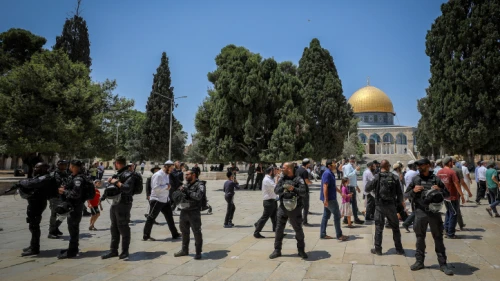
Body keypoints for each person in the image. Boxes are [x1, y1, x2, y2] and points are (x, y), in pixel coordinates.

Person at [405, 158, 454, 276]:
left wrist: (440, 189)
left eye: (421, 165)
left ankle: (443, 264)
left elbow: (447, 194)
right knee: (420, 237)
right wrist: (413, 191)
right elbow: (406, 194)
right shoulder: (416, 179)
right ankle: (419, 261)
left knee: (438, 238)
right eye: (417, 166)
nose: (419, 168)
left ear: (427, 165)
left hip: (434, 213)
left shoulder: (436, 179)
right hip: (420, 212)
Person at [101, 156, 138, 260]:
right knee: (114, 227)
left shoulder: (129, 174)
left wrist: (115, 182)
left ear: (117, 163)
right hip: (115, 203)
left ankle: (125, 251)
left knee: (123, 227)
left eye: (115, 164)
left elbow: (127, 189)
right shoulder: (118, 174)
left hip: (124, 204)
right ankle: (113, 250)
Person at [365, 159, 404, 256]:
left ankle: (378, 249)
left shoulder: (377, 177)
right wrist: (399, 206)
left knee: (379, 228)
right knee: (395, 228)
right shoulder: (394, 177)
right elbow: (399, 194)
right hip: (391, 206)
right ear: (387, 167)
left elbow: (367, 188)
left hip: (380, 206)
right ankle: (399, 249)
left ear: (380, 167)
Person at [269, 162, 308, 260]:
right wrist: (283, 187)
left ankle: (301, 250)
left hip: (295, 209)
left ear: (289, 169)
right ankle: (277, 250)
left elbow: (303, 192)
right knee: (279, 229)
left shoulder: (298, 179)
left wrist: (293, 188)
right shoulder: (282, 179)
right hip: (283, 208)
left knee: (298, 229)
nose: (282, 169)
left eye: (284, 168)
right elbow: (276, 190)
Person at [20, 163, 57, 256]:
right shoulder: (39, 176)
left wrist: (21, 182)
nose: (34, 168)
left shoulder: (45, 178)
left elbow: (30, 183)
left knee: (34, 226)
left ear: (43, 169)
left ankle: (35, 248)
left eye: (37, 167)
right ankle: (33, 245)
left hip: (38, 203)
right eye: (35, 166)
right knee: (32, 225)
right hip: (34, 202)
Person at [143, 160, 181, 241]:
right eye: (170, 168)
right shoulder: (158, 175)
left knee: (170, 217)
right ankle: (146, 235)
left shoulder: (167, 174)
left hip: (165, 200)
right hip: (157, 200)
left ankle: (175, 234)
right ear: (166, 166)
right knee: (151, 218)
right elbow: (155, 188)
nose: (171, 170)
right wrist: (166, 187)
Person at [57, 160, 86, 259]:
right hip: (72, 206)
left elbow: (75, 194)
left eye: (70, 165)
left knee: (73, 228)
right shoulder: (73, 176)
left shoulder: (78, 179)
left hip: (75, 207)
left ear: (73, 166)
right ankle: (73, 247)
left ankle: (72, 251)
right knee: (72, 228)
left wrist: (63, 191)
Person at [173, 169, 205, 260]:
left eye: (187, 175)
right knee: (184, 231)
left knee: (197, 231)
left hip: (194, 211)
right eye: (185, 175)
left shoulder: (200, 185)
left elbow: (198, 196)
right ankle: (184, 250)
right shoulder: (186, 184)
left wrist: (187, 191)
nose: (185, 176)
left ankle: (198, 252)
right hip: (184, 210)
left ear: (193, 175)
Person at [320, 160, 348, 241]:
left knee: (325, 216)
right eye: (333, 164)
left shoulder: (330, 173)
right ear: (329, 166)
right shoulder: (327, 173)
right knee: (337, 215)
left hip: (329, 198)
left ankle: (323, 234)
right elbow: (325, 186)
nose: (335, 165)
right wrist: (326, 199)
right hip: (330, 199)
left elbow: (333, 186)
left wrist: (340, 193)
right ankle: (339, 235)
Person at [437, 156, 465, 239]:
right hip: (452, 196)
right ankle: (451, 233)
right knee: (454, 214)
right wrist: (462, 195)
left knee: (449, 212)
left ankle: (446, 229)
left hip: (444, 196)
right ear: (449, 162)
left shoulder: (439, 172)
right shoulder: (451, 172)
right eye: (452, 162)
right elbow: (457, 184)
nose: (453, 163)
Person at [254, 166, 279, 238]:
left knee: (275, 217)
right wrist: (277, 179)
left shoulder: (270, 178)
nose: (275, 172)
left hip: (273, 200)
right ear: (271, 172)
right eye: (274, 171)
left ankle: (277, 231)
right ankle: (257, 232)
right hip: (269, 202)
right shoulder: (267, 179)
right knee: (265, 217)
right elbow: (276, 188)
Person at [48, 160, 69, 239]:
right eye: (62, 165)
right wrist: (57, 189)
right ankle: (51, 231)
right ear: (58, 165)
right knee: (54, 214)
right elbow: (49, 186)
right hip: (55, 197)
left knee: (64, 213)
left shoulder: (66, 174)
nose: (64, 166)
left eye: (65, 165)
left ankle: (55, 227)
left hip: (64, 197)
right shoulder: (53, 174)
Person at [342, 156, 364, 224]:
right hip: (349, 187)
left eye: (353, 159)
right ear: (349, 159)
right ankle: (355, 218)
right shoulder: (348, 167)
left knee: (350, 203)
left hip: (352, 186)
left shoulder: (351, 166)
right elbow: (348, 176)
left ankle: (346, 218)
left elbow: (353, 178)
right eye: (351, 159)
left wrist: (356, 186)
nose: (353, 160)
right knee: (353, 204)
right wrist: (355, 170)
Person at [402, 160, 419, 232]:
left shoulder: (407, 173)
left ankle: (415, 225)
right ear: (413, 166)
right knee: (417, 210)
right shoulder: (415, 173)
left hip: (410, 193)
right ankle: (407, 223)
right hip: (415, 193)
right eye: (415, 165)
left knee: (415, 209)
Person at [295, 158, 312, 226]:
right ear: (307, 164)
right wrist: (311, 182)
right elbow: (306, 181)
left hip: (298, 190)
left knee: (299, 206)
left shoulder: (297, 170)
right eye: (309, 163)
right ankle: (304, 221)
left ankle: (295, 219)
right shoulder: (305, 171)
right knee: (305, 206)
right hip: (304, 190)